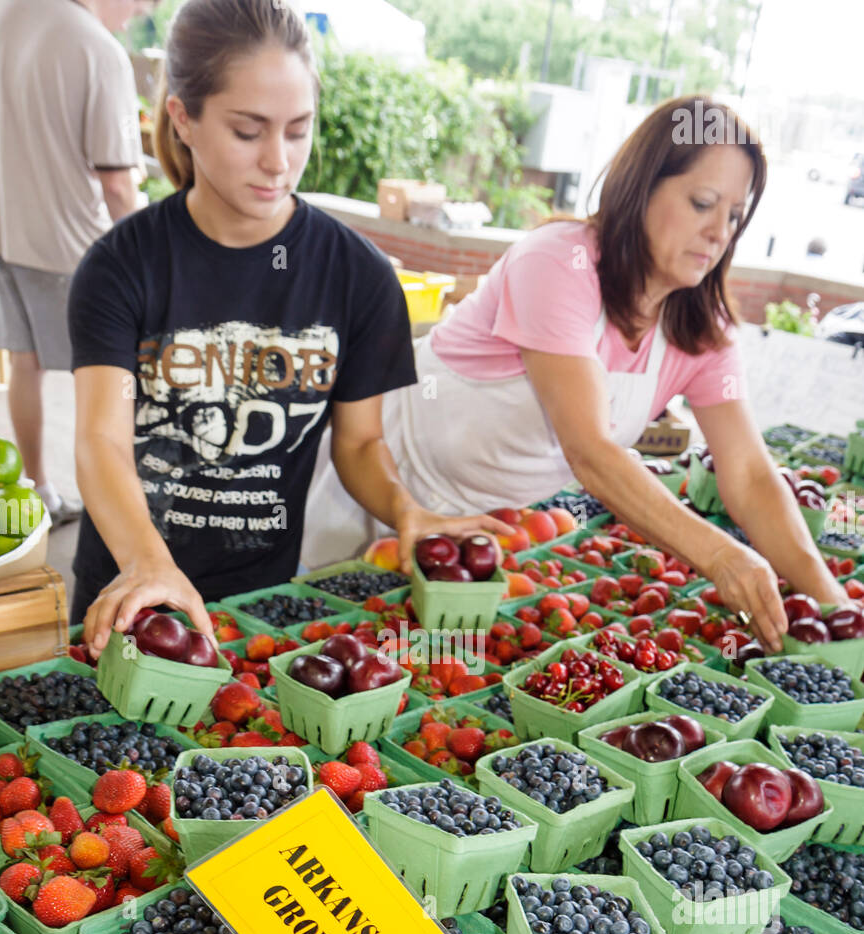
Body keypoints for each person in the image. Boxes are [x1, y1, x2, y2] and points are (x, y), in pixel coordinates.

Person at [302, 97, 850, 653]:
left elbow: (752, 477)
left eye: (734, 216)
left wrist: (835, 608)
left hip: (474, 540)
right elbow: (589, 449)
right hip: (373, 487)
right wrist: (719, 554)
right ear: (641, 188)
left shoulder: (702, 328)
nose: (718, 232)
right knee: (317, 640)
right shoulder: (559, 264)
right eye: (702, 203)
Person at [69, 0, 507, 655]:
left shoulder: (359, 277)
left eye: (298, 130)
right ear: (183, 118)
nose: (279, 160)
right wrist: (149, 564)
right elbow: (102, 440)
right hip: (129, 599)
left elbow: (358, 446)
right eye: (249, 131)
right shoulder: (121, 265)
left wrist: (405, 509)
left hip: (261, 608)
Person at [0, 0, 153, 525]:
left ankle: (40, 491)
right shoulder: (97, 49)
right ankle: (120, 512)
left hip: (6, 233)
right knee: (109, 377)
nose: (133, 18)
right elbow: (117, 183)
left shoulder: (7, 15)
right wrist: (153, 259)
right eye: (139, 7)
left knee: (26, 364)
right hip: (76, 248)